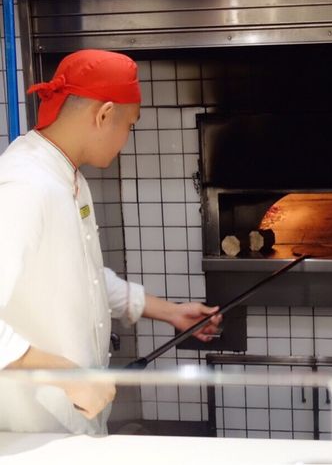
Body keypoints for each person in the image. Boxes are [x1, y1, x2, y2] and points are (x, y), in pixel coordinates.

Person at [0, 49, 221, 434]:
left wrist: (169, 312)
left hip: (70, 424)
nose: (127, 139)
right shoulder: (23, 186)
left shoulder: (67, 177)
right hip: (31, 431)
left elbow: (82, 276)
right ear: (103, 115)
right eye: (130, 125)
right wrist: (70, 377)